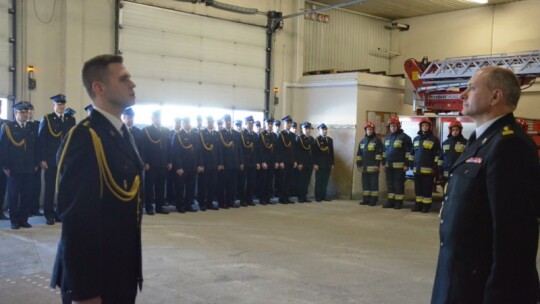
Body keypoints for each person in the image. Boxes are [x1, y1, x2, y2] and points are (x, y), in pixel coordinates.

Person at [431, 67, 540, 303]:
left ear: (495, 97)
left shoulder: (509, 146)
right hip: (458, 278)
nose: (462, 94)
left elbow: (514, 235)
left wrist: (500, 295)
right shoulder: (481, 141)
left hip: (480, 288)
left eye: (471, 88)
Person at [51, 54, 143, 304]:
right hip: (95, 282)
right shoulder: (85, 138)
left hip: (120, 272)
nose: (132, 84)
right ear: (99, 88)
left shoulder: (122, 134)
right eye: (123, 79)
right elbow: (77, 223)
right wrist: (85, 294)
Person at [38, 94, 76, 225]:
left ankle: (60, 211)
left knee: (63, 187)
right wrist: (42, 159)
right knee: (50, 188)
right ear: (53, 105)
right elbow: (41, 140)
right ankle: (49, 213)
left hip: (65, 159)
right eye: (58, 104)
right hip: (50, 159)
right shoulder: (47, 119)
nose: (61, 106)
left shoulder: (70, 119)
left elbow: (73, 140)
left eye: (63, 104)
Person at [0, 101, 38, 229]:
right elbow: (3, 149)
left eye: (27, 112)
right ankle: (14, 220)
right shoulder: (8, 127)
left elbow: (35, 148)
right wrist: (5, 167)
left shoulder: (31, 127)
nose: (25, 114)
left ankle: (24, 219)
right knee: (13, 195)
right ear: (16, 113)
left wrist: (36, 164)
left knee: (27, 195)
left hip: (28, 167)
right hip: (14, 168)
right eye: (22, 112)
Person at [141, 110, 171, 215]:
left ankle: (159, 206)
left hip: (163, 163)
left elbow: (168, 147)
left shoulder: (166, 130)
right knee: (149, 186)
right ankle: (149, 207)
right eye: (156, 117)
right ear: (152, 118)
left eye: (159, 117)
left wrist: (169, 161)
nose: (158, 119)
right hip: (151, 164)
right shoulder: (146, 130)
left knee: (161, 186)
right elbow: (143, 148)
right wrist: (145, 162)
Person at [410, 117, 440, 213]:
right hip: (417, 169)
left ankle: (426, 206)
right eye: (423, 125)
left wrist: (434, 168)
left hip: (428, 170)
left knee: (427, 188)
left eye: (426, 125)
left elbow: (437, 155)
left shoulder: (434, 139)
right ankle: (418, 204)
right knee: (418, 189)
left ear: (429, 127)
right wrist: (411, 164)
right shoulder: (415, 139)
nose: (425, 127)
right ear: (420, 127)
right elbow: (412, 154)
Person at [172, 117, 202, 213]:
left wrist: (199, 164)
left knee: (191, 187)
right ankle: (179, 206)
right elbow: (175, 153)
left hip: (193, 166)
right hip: (182, 167)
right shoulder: (178, 135)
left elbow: (198, 151)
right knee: (180, 187)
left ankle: (188, 205)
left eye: (189, 122)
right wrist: (178, 167)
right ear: (183, 124)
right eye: (186, 122)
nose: (188, 124)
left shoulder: (195, 135)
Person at [381, 116, 412, 209]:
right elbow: (384, 152)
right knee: (390, 183)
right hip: (388, 165)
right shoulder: (387, 137)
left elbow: (408, 153)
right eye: (391, 126)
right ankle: (391, 201)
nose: (392, 128)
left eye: (394, 126)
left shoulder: (405, 137)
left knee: (398, 183)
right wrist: (383, 163)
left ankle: (398, 202)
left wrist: (407, 164)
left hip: (400, 166)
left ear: (398, 126)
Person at [217, 114, 243, 208]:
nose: (228, 122)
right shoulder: (221, 133)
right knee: (223, 184)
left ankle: (230, 202)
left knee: (232, 184)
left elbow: (239, 149)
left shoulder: (236, 133)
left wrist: (241, 162)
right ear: (224, 122)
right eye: (227, 121)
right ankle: (222, 203)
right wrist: (221, 163)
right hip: (225, 164)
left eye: (229, 121)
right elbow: (219, 150)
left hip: (235, 163)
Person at [356, 121, 383, 206]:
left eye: (371, 129)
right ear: (365, 130)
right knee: (365, 184)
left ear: (373, 130)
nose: (369, 131)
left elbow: (378, 154)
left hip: (373, 168)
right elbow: (359, 154)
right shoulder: (362, 141)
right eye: (368, 129)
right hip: (364, 168)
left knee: (373, 185)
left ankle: (373, 200)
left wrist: (377, 165)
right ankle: (366, 200)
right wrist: (359, 165)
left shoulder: (377, 141)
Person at [198, 116, 222, 210]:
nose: (211, 123)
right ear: (207, 122)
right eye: (209, 122)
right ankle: (201, 203)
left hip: (214, 164)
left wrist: (220, 163)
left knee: (212, 185)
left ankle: (209, 203)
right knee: (203, 185)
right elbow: (199, 150)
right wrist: (201, 164)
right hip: (205, 164)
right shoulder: (202, 134)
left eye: (212, 122)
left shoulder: (216, 134)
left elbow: (219, 149)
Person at [437, 120, 467, 187]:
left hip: (459, 173)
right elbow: (441, 158)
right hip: (446, 173)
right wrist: (439, 170)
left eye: (457, 130)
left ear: (460, 130)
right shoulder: (445, 143)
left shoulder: (466, 143)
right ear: (450, 131)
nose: (455, 132)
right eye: (453, 130)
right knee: (446, 192)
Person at [238, 115, 259, 206]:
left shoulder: (255, 135)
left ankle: (249, 199)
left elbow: (258, 150)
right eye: (249, 123)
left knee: (252, 182)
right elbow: (240, 150)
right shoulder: (242, 134)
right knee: (243, 182)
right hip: (245, 162)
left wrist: (258, 162)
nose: (251, 125)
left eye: (252, 123)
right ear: (246, 123)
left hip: (253, 162)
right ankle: (242, 200)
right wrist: (241, 162)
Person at [276, 115, 296, 204]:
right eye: (287, 123)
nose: (288, 124)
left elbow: (294, 149)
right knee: (282, 180)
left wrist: (295, 160)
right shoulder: (281, 135)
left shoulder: (292, 135)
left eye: (290, 123)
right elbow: (278, 150)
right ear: (284, 124)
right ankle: (282, 197)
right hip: (283, 161)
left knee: (289, 180)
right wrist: (280, 161)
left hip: (290, 161)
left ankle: (287, 196)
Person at [259, 118, 278, 205]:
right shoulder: (262, 135)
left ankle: (268, 197)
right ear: (266, 124)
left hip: (272, 161)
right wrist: (263, 161)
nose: (270, 125)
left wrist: (276, 161)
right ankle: (262, 198)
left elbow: (276, 150)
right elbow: (260, 150)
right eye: (268, 124)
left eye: (271, 124)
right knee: (263, 181)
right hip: (265, 162)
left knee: (270, 181)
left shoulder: (274, 135)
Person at [313, 123, 334, 202]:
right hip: (319, 164)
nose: (325, 131)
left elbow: (332, 153)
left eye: (325, 129)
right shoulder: (317, 140)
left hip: (327, 164)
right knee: (319, 180)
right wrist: (315, 164)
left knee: (325, 180)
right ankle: (317, 196)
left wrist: (332, 163)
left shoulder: (330, 140)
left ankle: (323, 195)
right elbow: (315, 153)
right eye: (323, 130)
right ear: (319, 130)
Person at [296, 122, 315, 203]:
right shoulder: (299, 138)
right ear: (302, 129)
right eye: (306, 129)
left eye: (309, 129)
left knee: (307, 180)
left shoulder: (312, 139)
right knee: (301, 181)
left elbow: (313, 153)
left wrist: (313, 163)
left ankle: (304, 196)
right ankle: (300, 197)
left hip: (309, 163)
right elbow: (297, 152)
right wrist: (299, 163)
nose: (308, 130)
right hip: (302, 163)